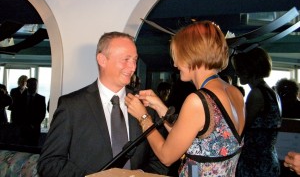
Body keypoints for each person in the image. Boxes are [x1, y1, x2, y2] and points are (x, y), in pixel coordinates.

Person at [37, 32, 168, 177]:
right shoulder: (72, 106)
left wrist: (139, 175)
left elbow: (161, 161)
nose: (132, 67)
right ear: (102, 60)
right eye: (126, 59)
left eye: (135, 60)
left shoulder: (146, 105)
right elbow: (49, 163)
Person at [125, 21, 245, 176]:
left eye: (177, 57)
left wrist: (144, 117)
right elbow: (197, 142)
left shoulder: (199, 101)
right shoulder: (235, 93)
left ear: (191, 55)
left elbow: (166, 156)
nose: (175, 64)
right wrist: (160, 107)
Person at [231, 47, 282, 177]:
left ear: (250, 69)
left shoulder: (256, 94)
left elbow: (241, 128)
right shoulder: (272, 93)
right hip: (269, 160)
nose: (237, 73)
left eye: (240, 69)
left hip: (254, 164)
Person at [9, 78, 46, 146]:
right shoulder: (19, 97)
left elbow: (42, 114)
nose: (34, 86)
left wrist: (33, 125)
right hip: (21, 129)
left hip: (34, 130)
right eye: (32, 84)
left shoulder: (41, 98)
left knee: (33, 149)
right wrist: (20, 125)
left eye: (35, 84)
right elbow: (16, 112)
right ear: (27, 85)